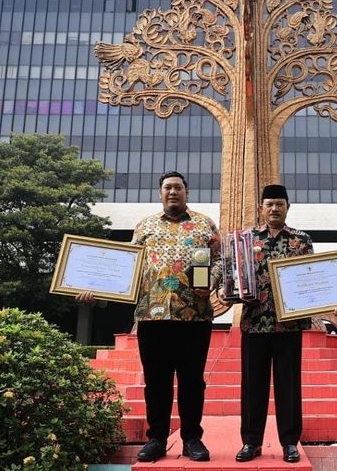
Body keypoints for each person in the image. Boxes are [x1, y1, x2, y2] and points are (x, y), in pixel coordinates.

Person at [77, 171, 220, 462]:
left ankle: (192, 438)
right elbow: (124, 268)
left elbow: (218, 262)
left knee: (193, 381)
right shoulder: (145, 227)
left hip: (194, 316)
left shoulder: (205, 224)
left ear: (186, 192)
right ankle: (156, 438)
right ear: (160, 193)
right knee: (156, 381)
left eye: (178, 187)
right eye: (167, 188)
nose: (172, 192)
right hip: (151, 316)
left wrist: (212, 281)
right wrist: (96, 289)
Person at [218, 184, 315, 464]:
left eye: (280, 204)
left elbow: (312, 277)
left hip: (289, 325)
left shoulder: (301, 241)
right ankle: (251, 442)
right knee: (253, 387)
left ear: (288, 207)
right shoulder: (245, 240)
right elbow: (231, 274)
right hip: (254, 324)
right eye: (269, 204)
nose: (274, 209)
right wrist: (228, 290)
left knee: (289, 385)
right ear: (261, 208)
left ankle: (289, 443)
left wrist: (327, 300)